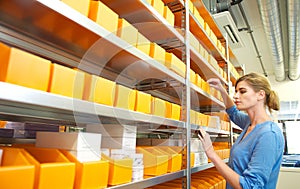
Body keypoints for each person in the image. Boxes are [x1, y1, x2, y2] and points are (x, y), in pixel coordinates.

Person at [197, 72, 284, 189]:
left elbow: (250, 186)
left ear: (260, 95)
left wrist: (211, 153)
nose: (236, 96)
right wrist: (221, 90)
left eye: (242, 92)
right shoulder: (250, 123)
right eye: (236, 91)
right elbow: (233, 113)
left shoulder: (269, 134)